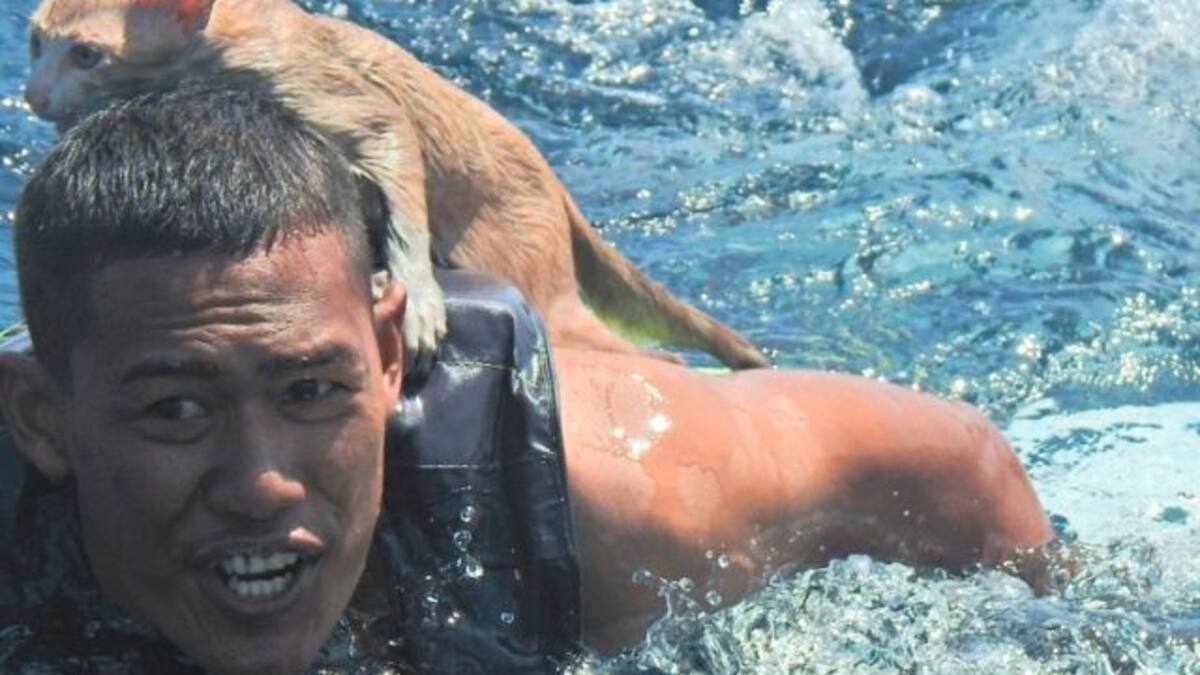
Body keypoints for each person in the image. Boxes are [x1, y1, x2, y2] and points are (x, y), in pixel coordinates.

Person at [0, 85, 1054, 674]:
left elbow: (952, 459)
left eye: (312, 390)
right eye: (175, 409)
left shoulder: (607, 496)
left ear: (388, 353)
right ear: (44, 417)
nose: (261, 481)